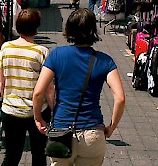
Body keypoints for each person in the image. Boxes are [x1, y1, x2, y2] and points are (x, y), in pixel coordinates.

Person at [33, 9, 126, 166]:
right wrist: (111, 127)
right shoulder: (105, 61)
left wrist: (38, 118)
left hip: (61, 132)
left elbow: (38, 93)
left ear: (69, 29)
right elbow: (120, 98)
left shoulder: (56, 55)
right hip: (92, 134)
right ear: (93, 30)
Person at [0, 9, 52, 166]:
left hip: (11, 110)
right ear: (36, 28)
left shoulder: (6, 48)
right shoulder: (41, 52)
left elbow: (3, 82)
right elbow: (48, 88)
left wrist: (6, 99)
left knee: (12, 155)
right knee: (39, 154)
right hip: (37, 112)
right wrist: (54, 108)